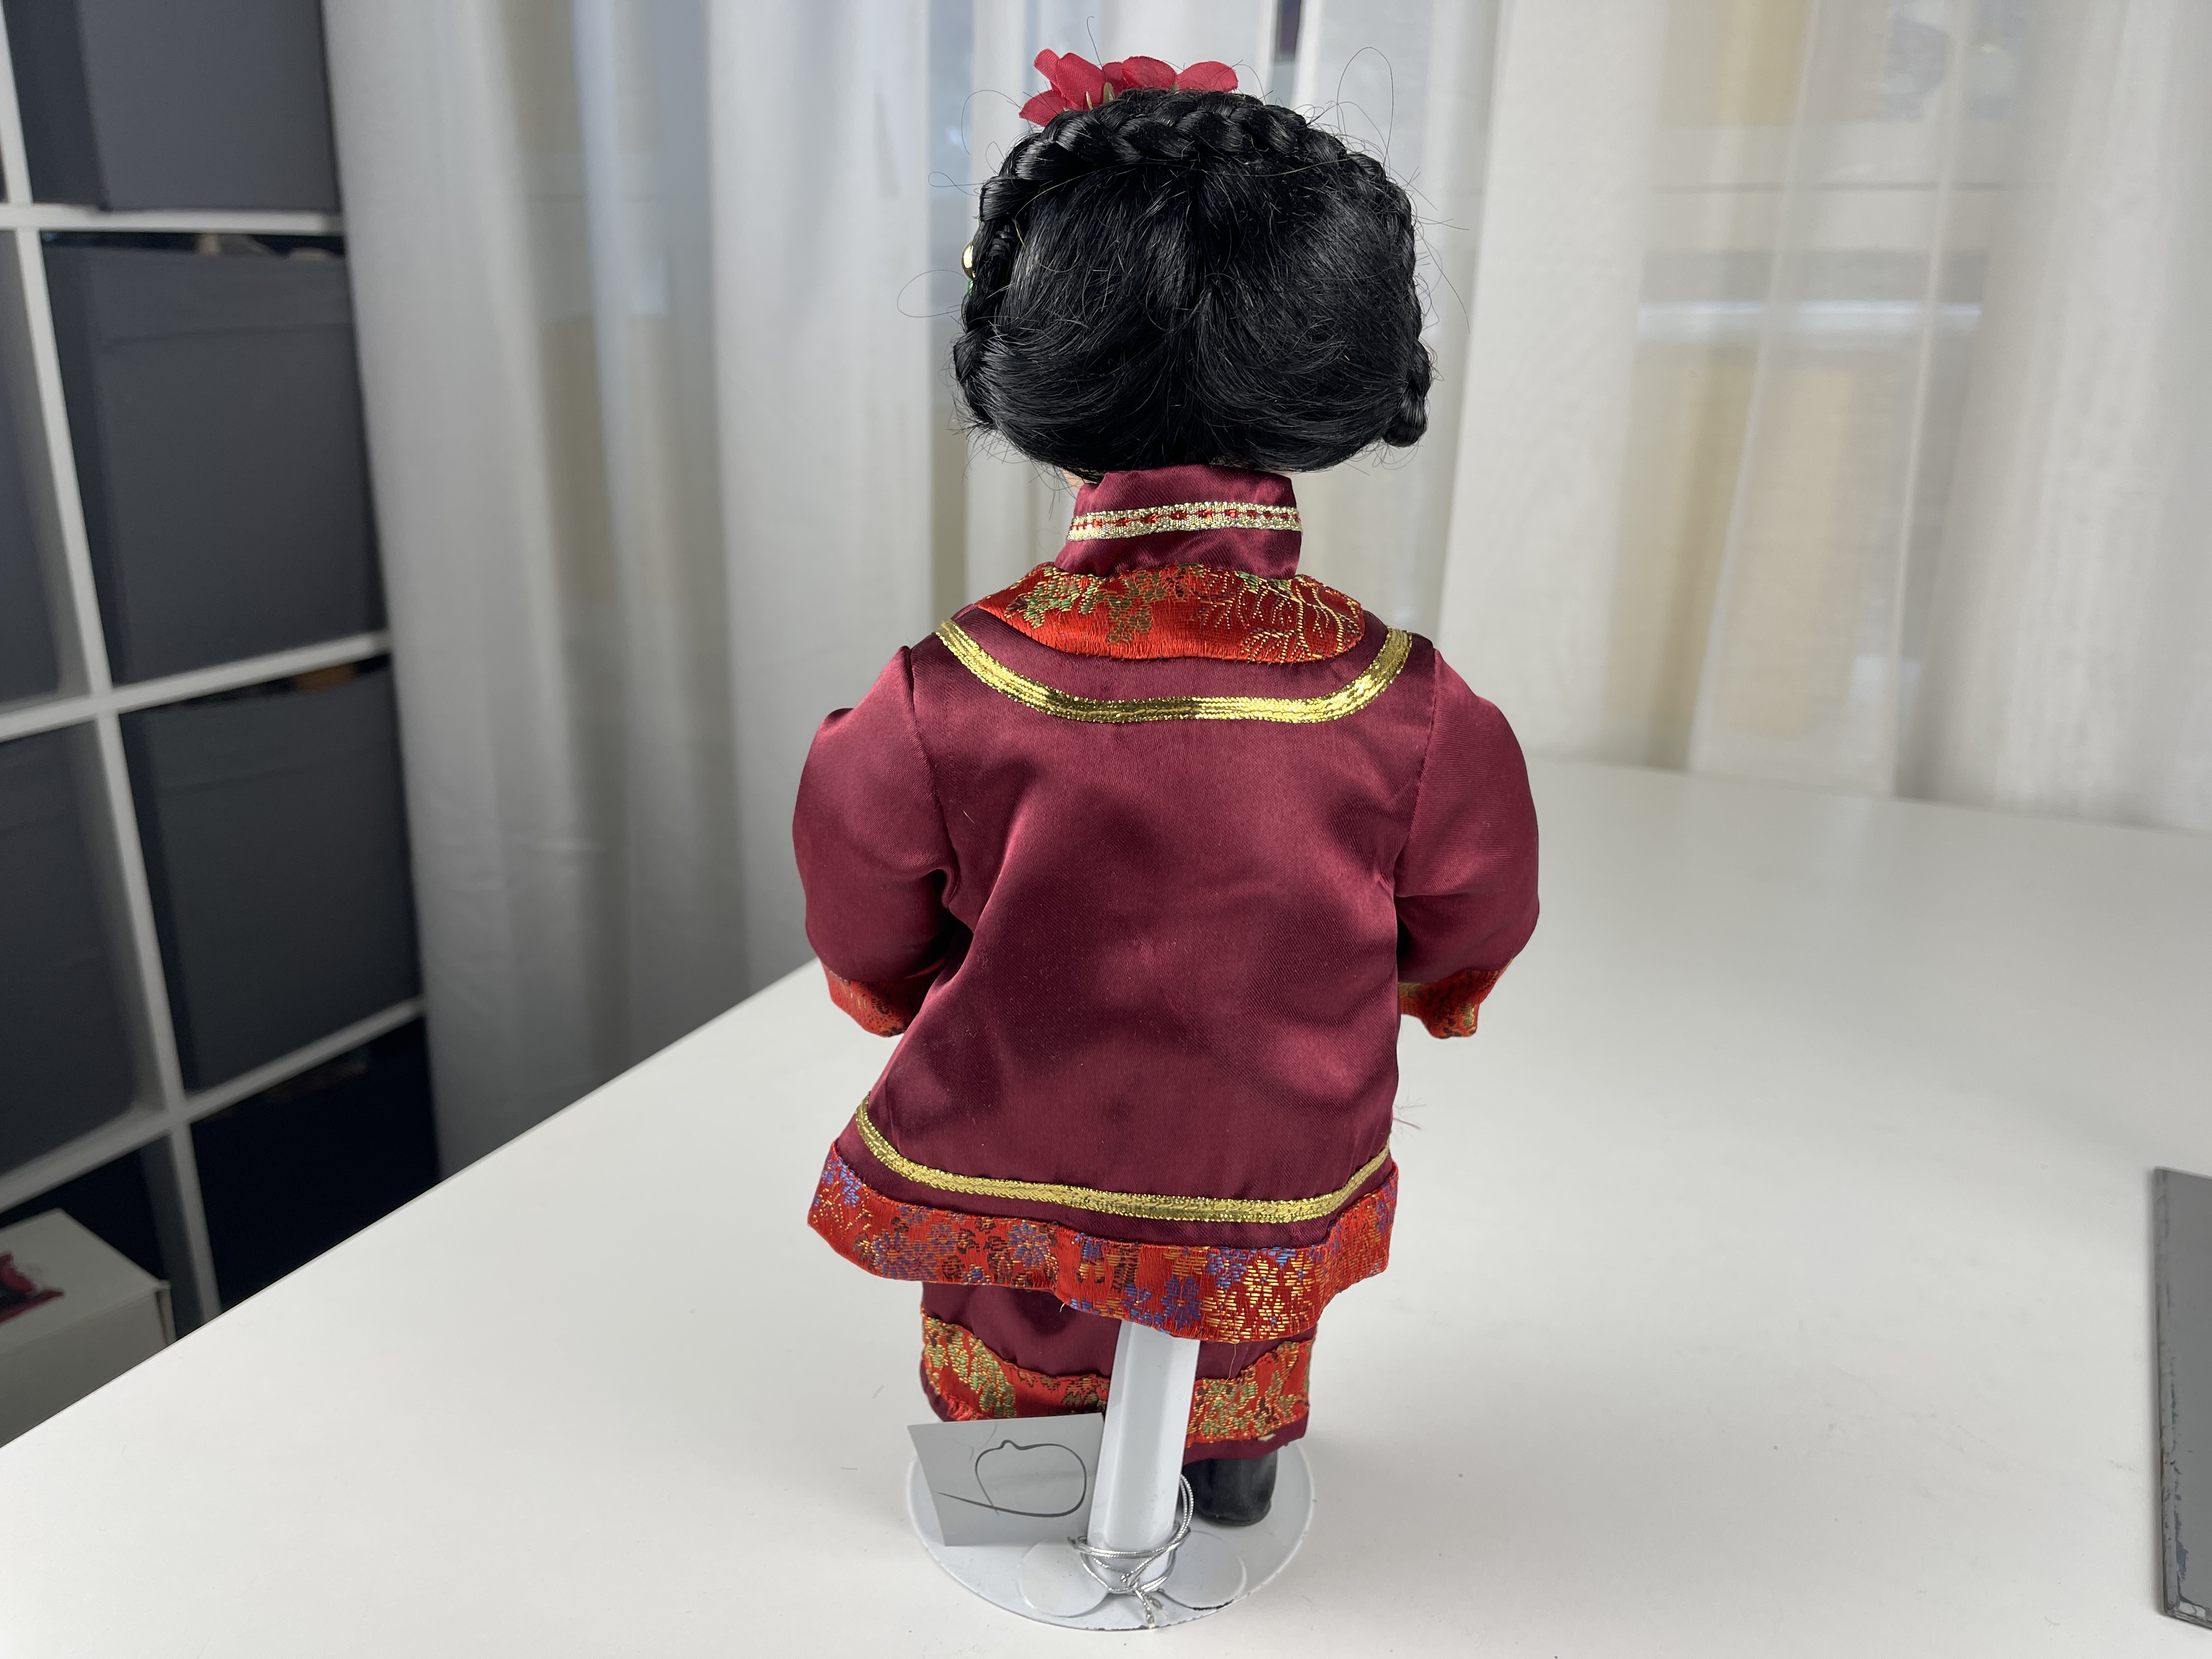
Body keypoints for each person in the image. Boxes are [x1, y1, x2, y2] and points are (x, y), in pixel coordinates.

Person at [795, 53, 1538, 1529]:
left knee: (1016, 1306)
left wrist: (911, 975)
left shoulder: (952, 690)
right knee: (1239, 1324)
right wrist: (1382, 976)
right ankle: (1229, 1462)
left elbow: (859, 882)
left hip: (1021, 1109)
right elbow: (1477, 903)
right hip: (1269, 1124)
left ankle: (1021, 1485)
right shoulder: (1399, 704)